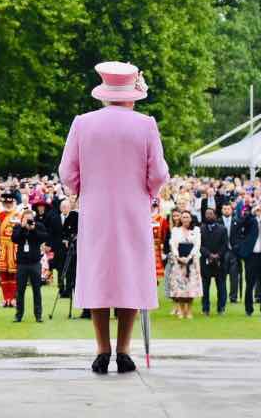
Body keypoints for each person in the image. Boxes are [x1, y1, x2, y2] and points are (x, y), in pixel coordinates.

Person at [59, 61, 169, 374]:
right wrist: (149, 192)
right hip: (133, 208)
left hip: (95, 210)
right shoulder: (145, 124)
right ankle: (123, 349)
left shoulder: (82, 123)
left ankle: (101, 349)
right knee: (130, 275)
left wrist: (84, 188)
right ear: (131, 94)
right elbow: (159, 172)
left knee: (98, 275)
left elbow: (67, 172)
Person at [237, 195, 261, 317]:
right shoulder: (251, 218)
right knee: (250, 283)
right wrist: (252, 213)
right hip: (251, 255)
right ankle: (248, 309)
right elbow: (240, 225)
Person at [11, 209, 48, 323]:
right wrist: (22, 227)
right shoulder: (18, 227)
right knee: (20, 290)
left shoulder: (38, 226)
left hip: (35, 263)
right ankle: (18, 315)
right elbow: (15, 239)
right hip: (22, 263)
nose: (28, 221)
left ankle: (38, 315)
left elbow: (44, 237)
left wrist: (33, 230)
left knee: (37, 290)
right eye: (26, 219)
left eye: (30, 219)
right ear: (22, 219)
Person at [168, 211, 202, 319]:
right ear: (180, 219)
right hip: (179, 262)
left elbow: (197, 245)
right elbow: (173, 244)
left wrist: (189, 257)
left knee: (190, 287)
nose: (185, 219)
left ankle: (189, 310)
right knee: (180, 288)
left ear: (191, 218)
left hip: (192, 261)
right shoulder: (175, 230)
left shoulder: (196, 230)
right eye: (183, 217)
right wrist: (178, 256)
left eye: (187, 217)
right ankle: (181, 310)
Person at [200, 208, 227, 315]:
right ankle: (205, 308)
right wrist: (209, 255)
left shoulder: (222, 229)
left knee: (221, 286)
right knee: (205, 287)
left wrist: (218, 255)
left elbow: (225, 245)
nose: (208, 216)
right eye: (206, 214)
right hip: (205, 261)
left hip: (220, 262)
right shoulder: (200, 229)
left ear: (215, 215)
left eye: (210, 214)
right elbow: (200, 245)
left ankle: (221, 308)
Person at [0, 193, 20, 307]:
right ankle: (6, 298)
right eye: (6, 203)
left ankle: (13, 298)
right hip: (2, 247)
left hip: (14, 247)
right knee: (3, 274)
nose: (8, 205)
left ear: (13, 203)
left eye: (10, 203)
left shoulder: (18, 215)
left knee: (14, 274)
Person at [220, 203, 242, 304]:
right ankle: (222, 296)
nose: (226, 211)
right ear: (222, 210)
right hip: (222, 252)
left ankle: (233, 297)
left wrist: (237, 247)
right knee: (222, 276)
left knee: (234, 275)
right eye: (224, 209)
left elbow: (241, 236)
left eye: (228, 209)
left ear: (232, 210)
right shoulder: (218, 222)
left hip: (234, 252)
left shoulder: (237, 221)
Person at [151, 200, 169, 282]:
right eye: (152, 206)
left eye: (155, 206)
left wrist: (163, 244)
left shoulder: (162, 220)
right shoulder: (144, 218)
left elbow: (165, 233)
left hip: (158, 245)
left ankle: (157, 278)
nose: (153, 208)